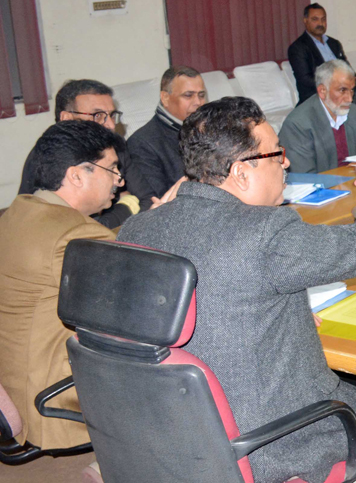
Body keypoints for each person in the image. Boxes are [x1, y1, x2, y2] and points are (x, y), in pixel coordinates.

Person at [117, 97, 356, 483]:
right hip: (267, 441)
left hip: (168, 431)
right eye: (277, 154)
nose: (287, 163)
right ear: (242, 172)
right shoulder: (267, 231)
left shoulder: (137, 229)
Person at [1, 120, 172, 454]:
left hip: (13, 380)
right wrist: (164, 224)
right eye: (111, 169)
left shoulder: (19, 211)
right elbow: (145, 299)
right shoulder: (75, 235)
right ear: (77, 174)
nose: (119, 182)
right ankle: (124, 467)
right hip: (51, 397)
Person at [18, 79, 142, 229]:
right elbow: (66, 228)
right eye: (98, 115)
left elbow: (146, 198)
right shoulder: (47, 158)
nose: (110, 124)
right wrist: (125, 208)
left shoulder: (115, 147)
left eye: (112, 115)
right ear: (67, 119)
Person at [126, 66, 205, 204]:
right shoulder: (142, 143)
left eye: (201, 95)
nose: (198, 102)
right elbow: (159, 201)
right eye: (188, 95)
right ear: (165, 98)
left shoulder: (210, 129)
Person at [279, 59, 356, 174]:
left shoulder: (354, 113)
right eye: (342, 90)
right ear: (322, 91)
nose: (349, 98)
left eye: (352, 90)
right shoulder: (297, 125)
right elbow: (304, 178)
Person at [287, 3, 348, 105]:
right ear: (305, 21)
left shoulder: (334, 43)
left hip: (342, 91)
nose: (320, 23)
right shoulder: (298, 47)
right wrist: (334, 86)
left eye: (323, 19)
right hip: (316, 97)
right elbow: (305, 79)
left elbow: (346, 67)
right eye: (315, 19)